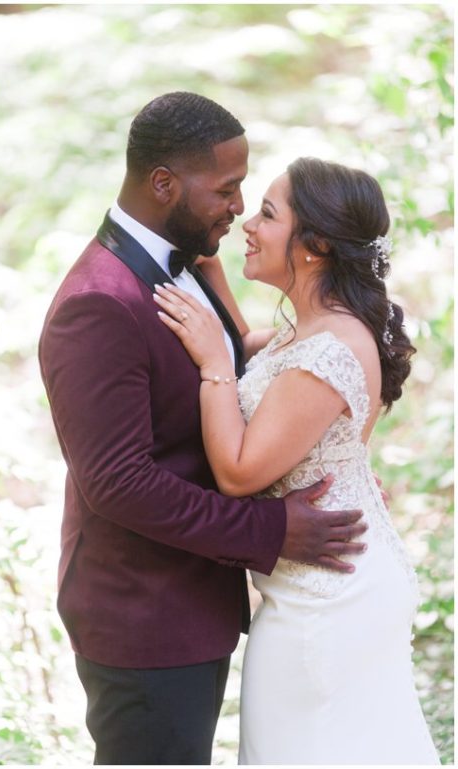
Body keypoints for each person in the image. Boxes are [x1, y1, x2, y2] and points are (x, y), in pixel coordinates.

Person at [37, 92, 369, 764]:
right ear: (164, 184)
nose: (239, 206)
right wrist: (271, 530)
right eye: (226, 188)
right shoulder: (97, 303)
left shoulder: (190, 265)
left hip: (193, 603)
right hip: (143, 617)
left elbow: (243, 376)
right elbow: (120, 484)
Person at [153, 157, 439, 763]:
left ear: (315, 246)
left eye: (267, 213)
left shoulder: (330, 349)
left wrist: (213, 366)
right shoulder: (313, 330)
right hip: (325, 583)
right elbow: (252, 353)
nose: (248, 224)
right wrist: (208, 264)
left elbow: (237, 472)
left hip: (327, 599)